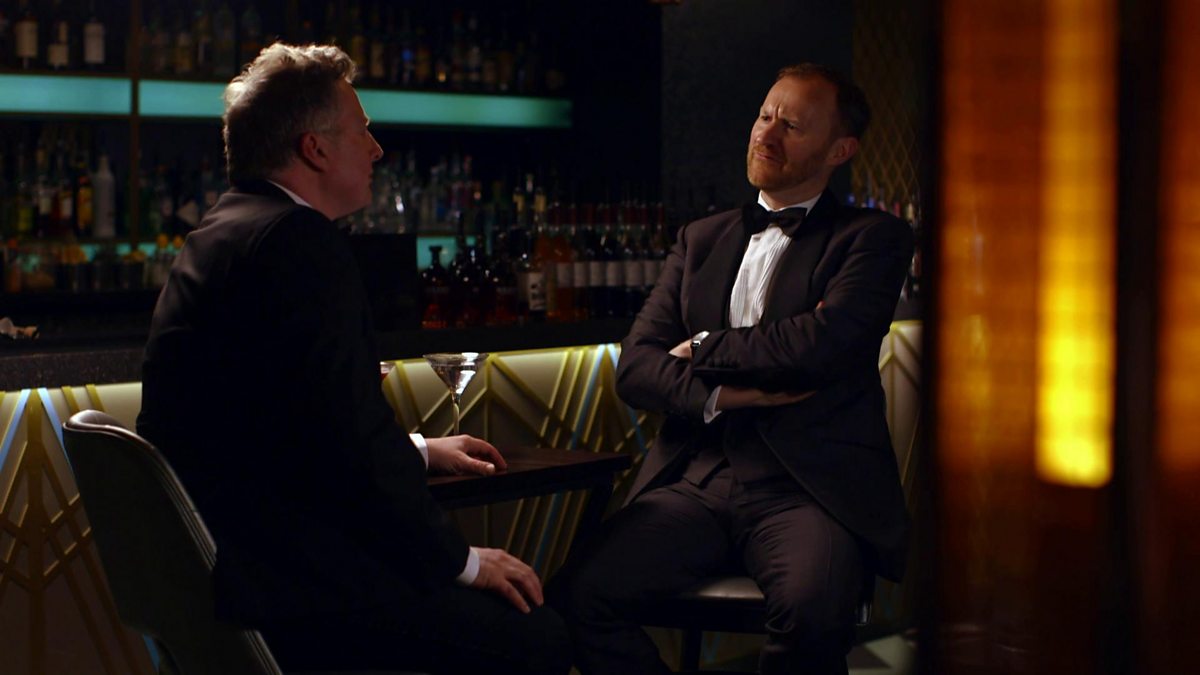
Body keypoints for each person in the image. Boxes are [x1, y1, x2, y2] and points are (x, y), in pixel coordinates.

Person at [136, 43, 569, 675]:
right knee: (539, 635)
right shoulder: (298, 244)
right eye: (362, 130)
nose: (377, 149)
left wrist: (418, 450)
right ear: (314, 148)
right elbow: (352, 446)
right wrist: (465, 562)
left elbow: (297, 428)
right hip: (293, 593)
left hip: (220, 579)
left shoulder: (224, 228)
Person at [550, 63, 913, 674]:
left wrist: (701, 347)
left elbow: (822, 345)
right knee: (577, 598)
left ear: (840, 150)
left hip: (808, 490)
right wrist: (726, 397)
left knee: (812, 613)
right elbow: (636, 369)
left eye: (792, 126)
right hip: (696, 483)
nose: (766, 134)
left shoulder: (873, 237)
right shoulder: (700, 238)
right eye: (765, 116)